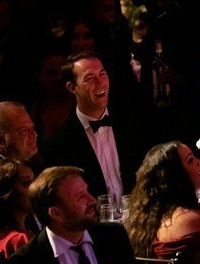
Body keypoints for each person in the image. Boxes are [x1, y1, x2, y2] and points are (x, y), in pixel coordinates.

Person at [4, 165, 147, 264]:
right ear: (56, 213)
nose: (92, 200)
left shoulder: (114, 237)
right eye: (80, 197)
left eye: (87, 191)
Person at [42, 51, 150, 202]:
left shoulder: (134, 123)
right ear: (72, 87)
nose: (100, 83)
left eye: (102, 74)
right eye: (89, 78)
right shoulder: (58, 144)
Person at [0, 100, 42, 172]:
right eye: (23, 131)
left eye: (32, 128)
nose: (34, 134)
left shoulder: (35, 165)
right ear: (0, 140)